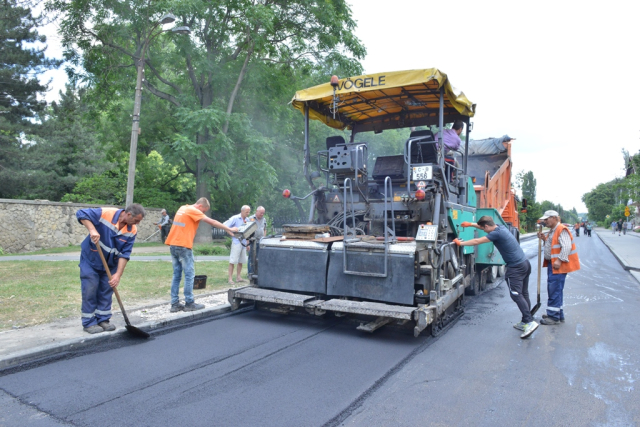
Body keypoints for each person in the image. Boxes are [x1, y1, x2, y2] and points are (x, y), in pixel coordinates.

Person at [455, 216, 538, 339]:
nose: (483, 230)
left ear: (487, 226)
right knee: (523, 293)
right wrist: (471, 224)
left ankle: (529, 322)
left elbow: (478, 241)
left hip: (515, 267)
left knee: (516, 294)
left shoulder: (495, 234)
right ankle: (526, 320)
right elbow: (484, 225)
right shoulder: (500, 227)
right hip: (525, 263)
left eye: (484, 229)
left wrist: (461, 243)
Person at [76, 204, 146, 334]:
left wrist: (118, 275)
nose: (138, 223)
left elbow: (125, 254)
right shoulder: (106, 213)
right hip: (91, 259)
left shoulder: (132, 230)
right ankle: (89, 322)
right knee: (90, 288)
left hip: (111, 263)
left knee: (107, 289)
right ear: (129, 214)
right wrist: (92, 230)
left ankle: (103, 319)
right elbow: (81, 213)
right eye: (137, 220)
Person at [165, 198, 237, 312]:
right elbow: (212, 222)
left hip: (173, 244)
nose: (202, 214)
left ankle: (174, 304)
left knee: (176, 275)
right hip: (183, 246)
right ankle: (189, 303)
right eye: (204, 211)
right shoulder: (194, 210)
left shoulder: (183, 208)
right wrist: (229, 229)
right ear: (200, 206)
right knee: (189, 275)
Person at [537, 210, 580, 325]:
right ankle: (557, 314)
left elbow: (566, 246)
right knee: (556, 289)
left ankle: (553, 317)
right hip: (554, 264)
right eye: (544, 219)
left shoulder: (561, 229)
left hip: (557, 265)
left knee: (554, 289)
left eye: (547, 219)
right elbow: (553, 244)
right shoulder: (553, 230)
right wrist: (544, 239)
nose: (545, 221)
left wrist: (559, 260)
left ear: (555, 218)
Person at [225, 205, 251, 284]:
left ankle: (238, 277)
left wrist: (247, 242)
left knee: (241, 261)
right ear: (242, 211)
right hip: (236, 242)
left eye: (249, 212)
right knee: (233, 261)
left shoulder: (247, 219)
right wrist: (232, 234)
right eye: (246, 212)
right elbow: (225, 226)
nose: (248, 213)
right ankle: (230, 278)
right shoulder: (235, 218)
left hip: (243, 242)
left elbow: (247, 231)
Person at [247, 206, 266, 276]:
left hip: (260, 242)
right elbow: (247, 231)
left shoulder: (264, 219)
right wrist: (247, 243)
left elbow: (264, 229)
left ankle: (257, 272)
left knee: (259, 257)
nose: (262, 214)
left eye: (263, 213)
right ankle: (250, 272)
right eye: (261, 213)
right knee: (251, 257)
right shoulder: (251, 219)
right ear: (256, 211)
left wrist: (264, 238)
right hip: (252, 241)